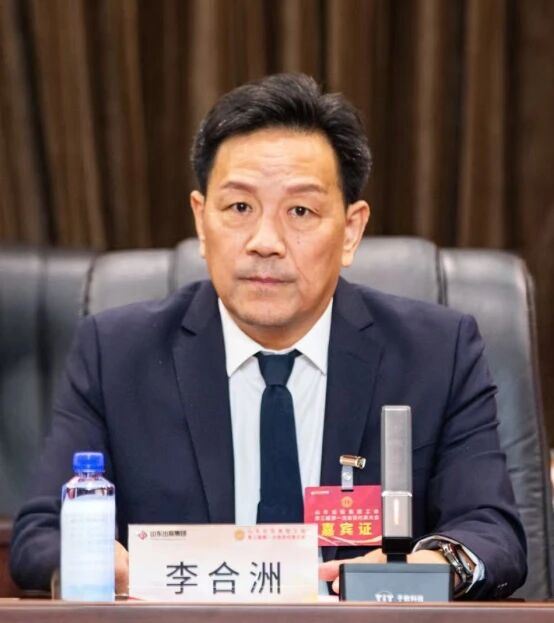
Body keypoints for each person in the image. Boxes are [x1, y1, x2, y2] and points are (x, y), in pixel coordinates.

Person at [10, 73, 526, 599]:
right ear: (201, 221)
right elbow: (41, 535)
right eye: (239, 208)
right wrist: (96, 560)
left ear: (350, 230)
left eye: (300, 211)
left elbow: (492, 533)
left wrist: (429, 565)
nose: (265, 241)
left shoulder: (437, 354)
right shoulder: (117, 354)